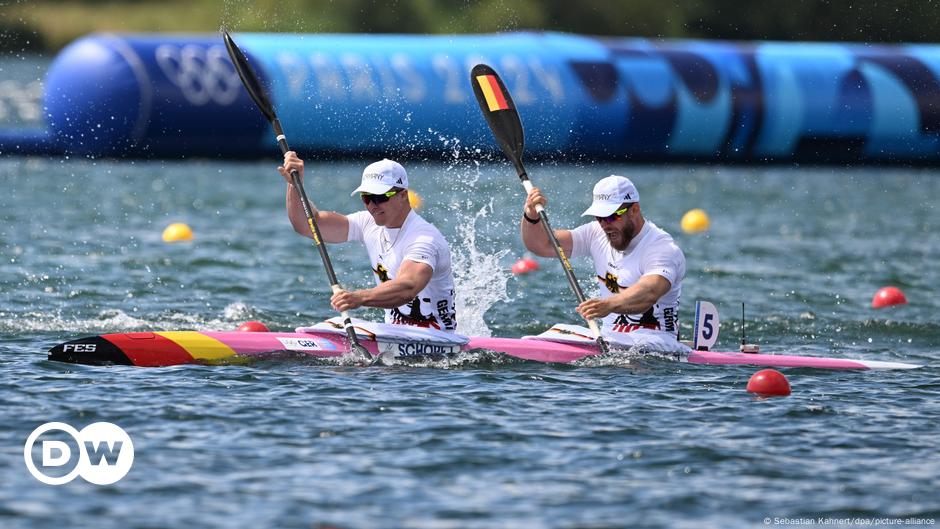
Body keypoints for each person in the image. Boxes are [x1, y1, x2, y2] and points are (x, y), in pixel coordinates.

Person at [279, 153, 457, 332]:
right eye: (366, 197)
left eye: (380, 197)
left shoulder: (424, 238)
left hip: (438, 339)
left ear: (403, 195)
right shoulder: (367, 223)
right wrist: (294, 185)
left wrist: (358, 298)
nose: (372, 205)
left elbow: (407, 287)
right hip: (397, 335)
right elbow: (309, 226)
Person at [521, 175, 686, 350]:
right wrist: (531, 215)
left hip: (657, 342)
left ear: (634, 210)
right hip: (609, 340)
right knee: (550, 334)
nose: (605, 225)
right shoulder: (595, 233)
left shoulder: (662, 248)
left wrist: (609, 304)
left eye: (611, 217)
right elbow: (541, 245)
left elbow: (650, 292)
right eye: (599, 217)